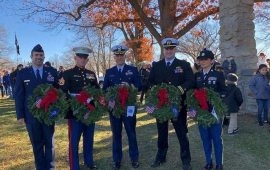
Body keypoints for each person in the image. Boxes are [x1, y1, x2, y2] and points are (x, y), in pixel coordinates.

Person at [148, 38, 194, 170]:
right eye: (166, 48)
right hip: (161, 105)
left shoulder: (184, 65)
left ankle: (186, 160)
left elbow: (190, 81)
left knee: (182, 133)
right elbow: (149, 82)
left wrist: (178, 90)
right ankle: (160, 157)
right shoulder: (156, 65)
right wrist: (155, 90)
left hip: (177, 106)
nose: (169, 51)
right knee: (161, 133)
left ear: (175, 49)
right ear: (163, 49)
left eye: (171, 48)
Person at [14, 44, 59, 170]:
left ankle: (50, 167)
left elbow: (58, 91)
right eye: (36, 55)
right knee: (37, 144)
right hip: (31, 115)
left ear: (44, 56)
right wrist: (20, 115)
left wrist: (58, 109)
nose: (38, 57)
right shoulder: (22, 73)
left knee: (50, 143)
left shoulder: (52, 72)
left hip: (49, 114)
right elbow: (18, 95)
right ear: (31, 57)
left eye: (41, 55)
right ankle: (40, 167)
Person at [60, 47, 99, 170]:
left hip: (89, 111)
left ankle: (89, 162)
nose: (82, 60)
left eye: (85, 57)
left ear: (87, 59)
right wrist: (75, 101)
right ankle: (74, 166)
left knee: (89, 139)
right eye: (80, 57)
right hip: (74, 112)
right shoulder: (67, 74)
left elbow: (97, 91)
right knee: (74, 141)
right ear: (75, 57)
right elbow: (62, 92)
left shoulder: (91, 74)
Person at [103, 44, 141, 170]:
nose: (119, 57)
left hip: (129, 107)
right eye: (117, 55)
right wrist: (109, 99)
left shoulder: (133, 70)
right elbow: (104, 90)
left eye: (121, 55)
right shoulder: (109, 72)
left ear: (125, 56)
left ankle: (134, 158)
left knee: (131, 133)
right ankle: (117, 159)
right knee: (116, 134)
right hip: (114, 109)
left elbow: (140, 86)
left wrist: (130, 87)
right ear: (114, 56)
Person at [195, 48, 227, 170]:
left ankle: (219, 164)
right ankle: (209, 162)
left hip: (215, 112)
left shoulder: (218, 74)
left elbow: (224, 90)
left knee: (216, 138)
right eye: (201, 59)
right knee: (205, 139)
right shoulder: (197, 76)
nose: (202, 61)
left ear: (212, 60)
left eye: (205, 59)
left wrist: (215, 97)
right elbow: (193, 92)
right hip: (202, 112)